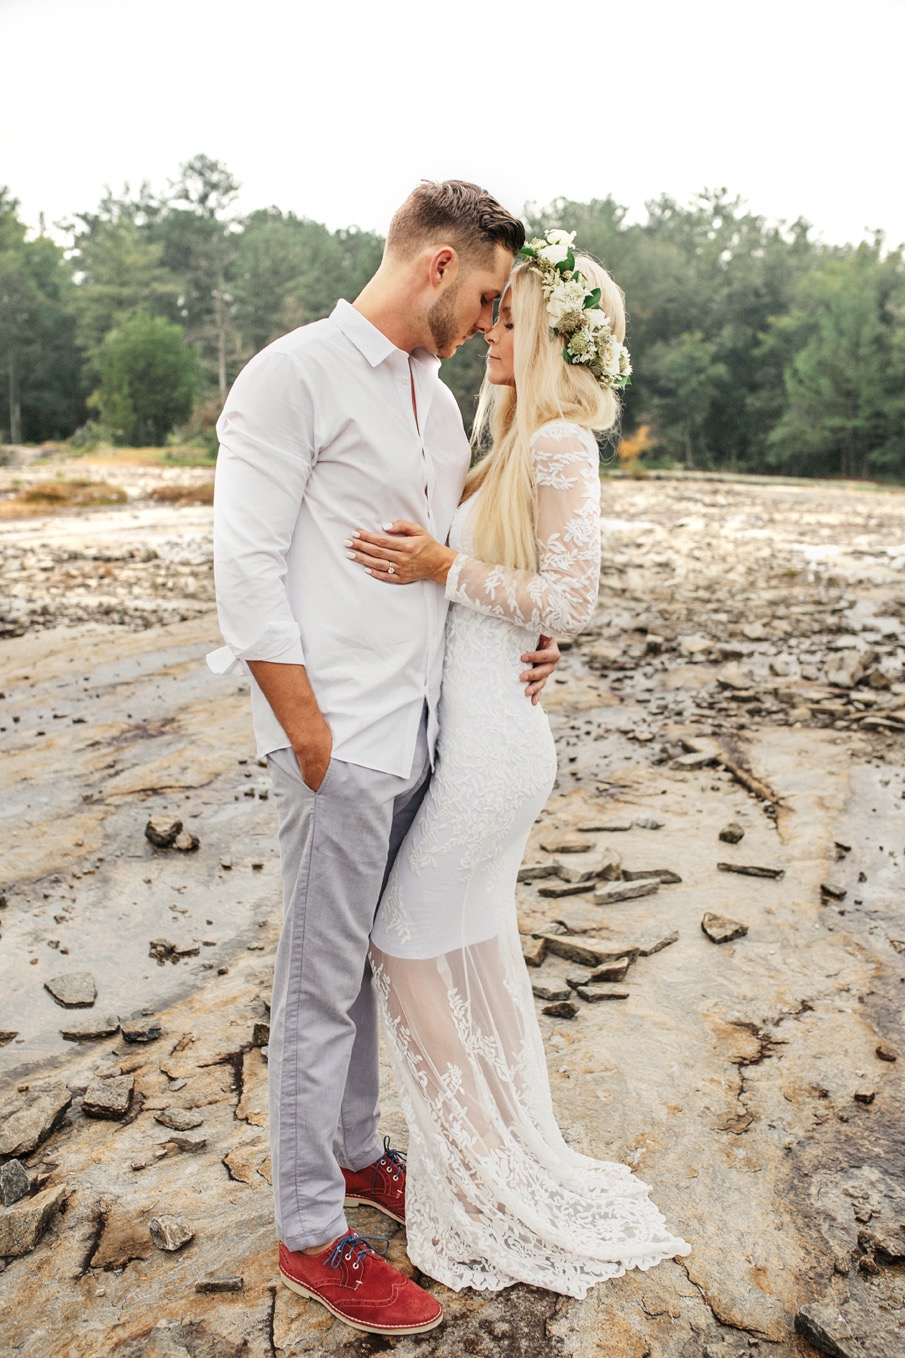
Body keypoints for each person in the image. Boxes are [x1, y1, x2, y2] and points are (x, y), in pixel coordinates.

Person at [208, 182, 563, 1337]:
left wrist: (525, 629)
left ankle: (359, 1152)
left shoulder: (433, 394)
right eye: (487, 295)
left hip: (416, 731)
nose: (487, 318)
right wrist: (305, 730)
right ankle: (311, 1230)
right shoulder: (293, 373)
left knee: (362, 965)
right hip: (339, 739)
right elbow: (246, 566)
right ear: (435, 264)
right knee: (317, 982)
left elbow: (441, 555)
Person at [349, 229, 692, 1296]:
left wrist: (445, 566)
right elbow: (524, 598)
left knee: (403, 943)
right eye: (494, 310)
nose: (491, 326)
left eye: (511, 315)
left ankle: (487, 1172)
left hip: (496, 749)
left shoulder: (557, 447)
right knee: (472, 951)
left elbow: (571, 601)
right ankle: (501, 1154)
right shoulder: (510, 443)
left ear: (549, 335)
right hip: (484, 734)